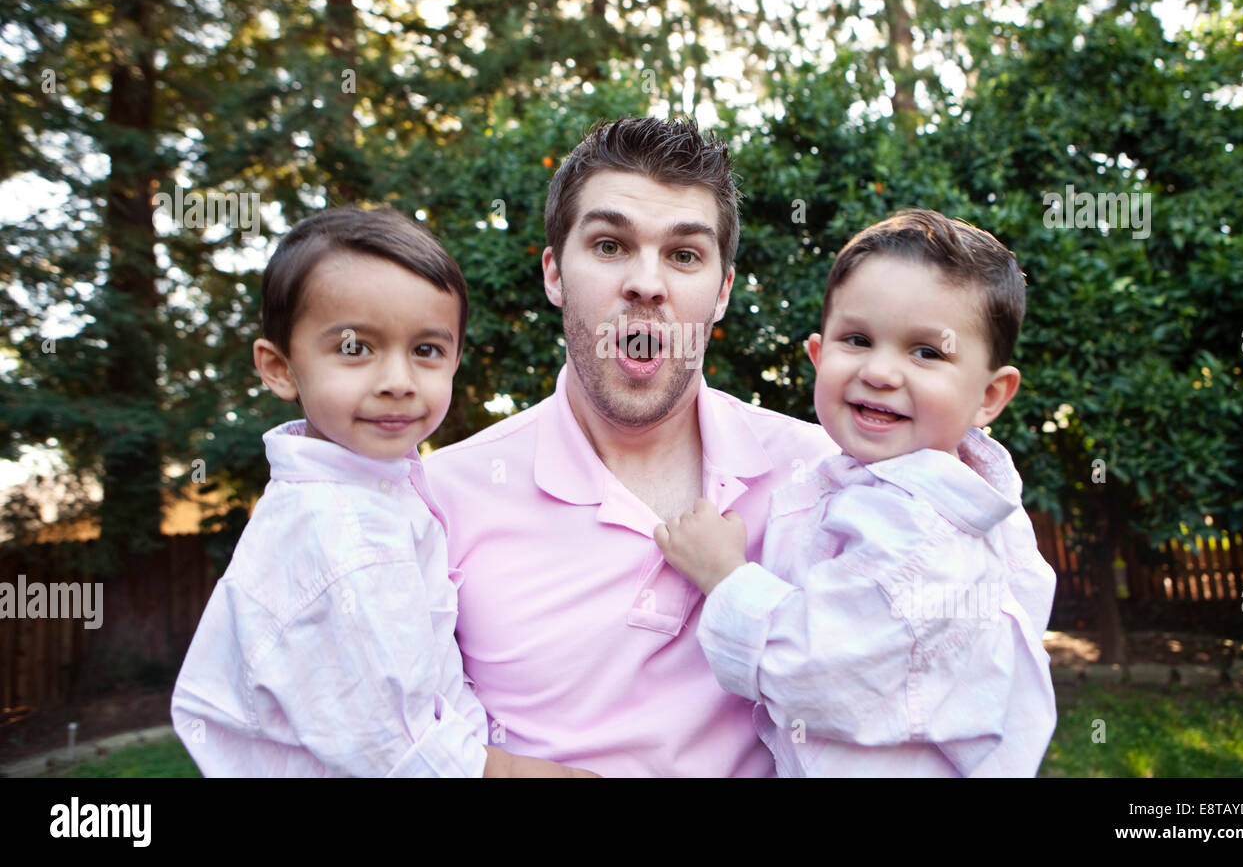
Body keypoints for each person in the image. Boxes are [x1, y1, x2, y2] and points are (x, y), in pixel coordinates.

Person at [422, 118, 841, 777]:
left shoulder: (826, 480)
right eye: (611, 245)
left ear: (723, 290)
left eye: (683, 255)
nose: (647, 283)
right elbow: (383, 734)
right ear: (555, 274)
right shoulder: (441, 497)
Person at [171, 207, 592, 777]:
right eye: (354, 348)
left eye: (426, 350)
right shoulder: (341, 533)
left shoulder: (379, 493)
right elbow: (403, 755)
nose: (397, 381)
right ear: (280, 368)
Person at [654, 209, 1058, 776]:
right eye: (858, 339)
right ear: (819, 355)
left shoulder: (924, 533)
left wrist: (725, 576)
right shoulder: (895, 490)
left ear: (990, 395)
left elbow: (818, 670)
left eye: (927, 352)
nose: (881, 372)